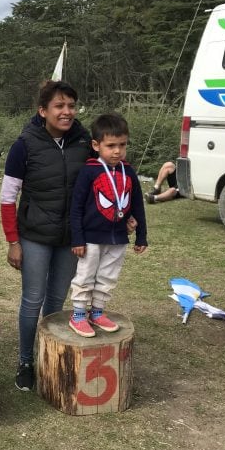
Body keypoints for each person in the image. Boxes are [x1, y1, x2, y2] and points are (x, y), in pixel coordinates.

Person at [0, 80, 92, 393]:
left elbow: (103, 183)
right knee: (33, 300)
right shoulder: (24, 144)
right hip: (34, 236)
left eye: (71, 106)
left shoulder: (85, 140)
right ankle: (26, 361)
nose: (66, 112)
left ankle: (48, 355)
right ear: (43, 111)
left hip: (70, 239)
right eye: (59, 106)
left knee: (55, 302)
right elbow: (7, 197)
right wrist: (13, 241)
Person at [69, 113, 148, 337]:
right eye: (111, 145)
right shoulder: (89, 171)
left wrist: (141, 235)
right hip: (91, 238)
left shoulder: (129, 171)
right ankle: (78, 315)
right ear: (96, 145)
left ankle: (97, 312)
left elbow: (137, 206)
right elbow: (76, 208)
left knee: (108, 277)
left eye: (122, 145)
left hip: (118, 237)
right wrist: (77, 238)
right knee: (85, 276)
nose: (117, 151)